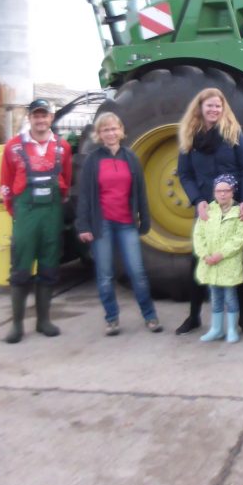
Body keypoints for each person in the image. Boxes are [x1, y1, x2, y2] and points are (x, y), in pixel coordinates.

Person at [175, 88, 243, 336]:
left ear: (223, 108)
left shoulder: (233, 133)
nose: (213, 110)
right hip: (206, 211)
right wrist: (197, 199)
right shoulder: (190, 137)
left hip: (233, 209)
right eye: (209, 105)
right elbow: (185, 174)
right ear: (200, 108)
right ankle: (194, 317)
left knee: (237, 264)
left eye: (218, 106)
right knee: (200, 264)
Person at [75, 112, 162, 336]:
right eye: (105, 130)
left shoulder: (130, 157)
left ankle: (150, 316)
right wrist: (83, 226)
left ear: (121, 131)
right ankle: (111, 319)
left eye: (114, 129)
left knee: (137, 272)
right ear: (99, 134)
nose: (111, 133)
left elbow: (140, 191)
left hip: (126, 223)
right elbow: (84, 196)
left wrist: (145, 219)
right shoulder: (93, 160)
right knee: (105, 275)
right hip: (102, 224)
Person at [0, 98, 73, 343]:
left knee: (49, 267)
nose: (40, 120)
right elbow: (6, 184)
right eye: (36, 115)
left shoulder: (63, 147)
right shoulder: (13, 147)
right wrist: (18, 214)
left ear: (51, 118)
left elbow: (66, 182)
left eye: (44, 115)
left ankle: (44, 321)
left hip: (51, 214)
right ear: (29, 118)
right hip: (26, 215)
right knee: (20, 269)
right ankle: (17, 325)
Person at [193, 174, 243, 343]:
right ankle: (216, 329)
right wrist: (205, 255)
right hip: (210, 263)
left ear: (233, 192)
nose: (222, 194)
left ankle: (231, 329)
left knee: (230, 298)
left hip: (228, 264)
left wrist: (221, 254)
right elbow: (198, 235)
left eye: (226, 190)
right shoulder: (208, 210)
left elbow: (239, 239)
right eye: (219, 191)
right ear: (214, 193)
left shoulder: (239, 212)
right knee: (215, 297)